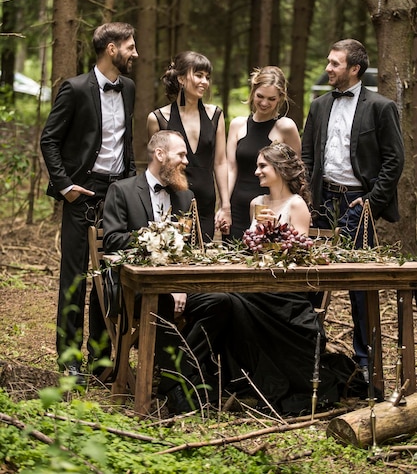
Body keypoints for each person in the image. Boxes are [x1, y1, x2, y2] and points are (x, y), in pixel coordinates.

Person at [224, 143, 366, 414]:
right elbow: (247, 250)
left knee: (235, 302)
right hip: (254, 285)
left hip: (284, 292)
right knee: (227, 301)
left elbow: (297, 259)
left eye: (262, 166)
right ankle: (241, 381)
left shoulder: (297, 205)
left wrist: (271, 231)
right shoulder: (256, 203)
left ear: (279, 169)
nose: (256, 172)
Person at [103, 130, 232, 414]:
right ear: (160, 155)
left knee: (221, 301)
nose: (186, 161)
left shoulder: (186, 197)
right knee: (158, 303)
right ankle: (185, 394)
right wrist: (155, 238)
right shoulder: (122, 190)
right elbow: (112, 239)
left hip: (178, 287)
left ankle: (175, 378)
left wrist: (181, 285)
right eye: (181, 154)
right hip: (134, 288)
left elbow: (191, 249)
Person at [40, 22, 139, 384]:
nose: (135, 53)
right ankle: (69, 358)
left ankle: (101, 357)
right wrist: (65, 186)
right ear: (111, 49)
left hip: (117, 194)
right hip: (82, 191)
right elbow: (49, 139)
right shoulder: (76, 88)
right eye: (130, 46)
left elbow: (125, 142)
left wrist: (129, 184)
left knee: (109, 273)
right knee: (76, 276)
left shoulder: (128, 87)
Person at [302, 38, 405, 374]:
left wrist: (372, 203)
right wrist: (306, 197)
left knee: (360, 286)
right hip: (322, 202)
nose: (328, 68)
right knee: (313, 280)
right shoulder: (318, 106)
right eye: (329, 62)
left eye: (335, 63)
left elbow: (394, 160)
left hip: (356, 203)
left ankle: (365, 364)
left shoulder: (381, 107)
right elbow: (306, 156)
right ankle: (309, 354)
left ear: (354, 68)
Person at [146, 51, 230, 242]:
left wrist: (225, 205)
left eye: (207, 77)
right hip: (172, 201)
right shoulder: (158, 118)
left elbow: (220, 162)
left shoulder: (215, 115)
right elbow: (155, 168)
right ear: (182, 79)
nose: (205, 82)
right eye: (199, 75)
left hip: (207, 204)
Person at [226, 66, 301, 240]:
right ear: (253, 92)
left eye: (271, 98)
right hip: (237, 206)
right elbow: (230, 168)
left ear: (280, 98)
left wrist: (286, 209)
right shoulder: (238, 124)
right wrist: (224, 206)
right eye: (260, 96)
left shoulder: (286, 127)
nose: (264, 103)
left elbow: (295, 173)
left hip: (269, 209)